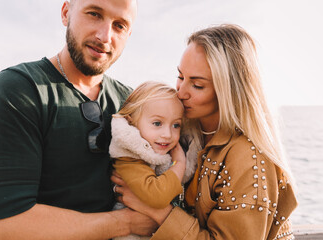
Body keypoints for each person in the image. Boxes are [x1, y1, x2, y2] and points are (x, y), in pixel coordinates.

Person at [0, 0, 158, 239]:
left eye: (119, 25)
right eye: (94, 14)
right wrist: (125, 224)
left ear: (128, 34)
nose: (104, 36)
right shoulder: (19, 90)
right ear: (66, 12)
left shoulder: (132, 103)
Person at [112, 24, 298, 239]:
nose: (180, 92)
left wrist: (156, 210)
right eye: (180, 77)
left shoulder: (249, 159)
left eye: (197, 85)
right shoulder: (183, 130)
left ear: (228, 91)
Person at [109, 81, 199, 240]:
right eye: (157, 123)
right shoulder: (129, 157)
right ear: (132, 122)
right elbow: (157, 196)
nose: (167, 134)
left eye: (176, 125)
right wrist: (180, 165)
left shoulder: (156, 149)